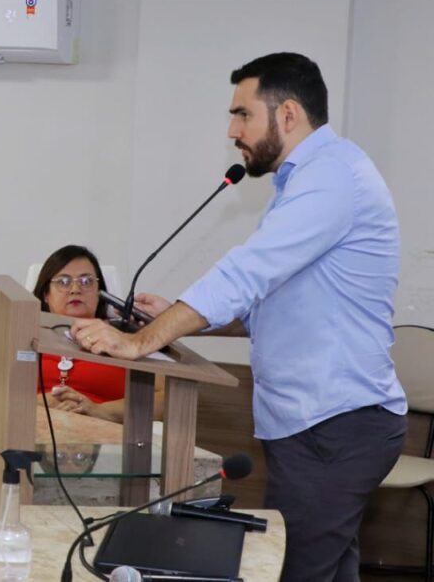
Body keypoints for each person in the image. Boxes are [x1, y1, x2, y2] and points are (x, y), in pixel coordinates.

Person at [71, 53, 407, 582]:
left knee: (294, 571)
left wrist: (139, 342)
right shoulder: (305, 181)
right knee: (326, 570)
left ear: (288, 114)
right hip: (322, 424)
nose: (233, 131)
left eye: (242, 114)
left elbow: (243, 273)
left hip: (335, 425)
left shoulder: (332, 178)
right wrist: (172, 316)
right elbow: (265, 308)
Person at [0, 244, 163, 423]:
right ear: (46, 294)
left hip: (103, 434)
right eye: (63, 281)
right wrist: (36, 403)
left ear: (100, 293)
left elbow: (166, 398)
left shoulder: (123, 339)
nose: (75, 289)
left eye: (86, 281)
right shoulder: (23, 334)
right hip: (27, 427)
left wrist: (100, 410)